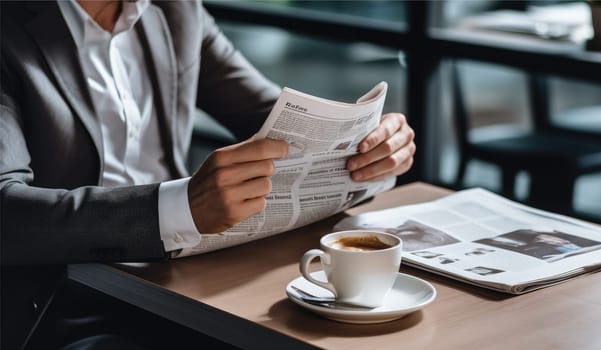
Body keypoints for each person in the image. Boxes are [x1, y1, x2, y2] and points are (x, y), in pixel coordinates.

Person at [0, 1, 416, 348]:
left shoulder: (175, 9)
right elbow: (7, 212)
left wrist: (370, 147)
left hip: (183, 279)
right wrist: (179, 207)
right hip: (63, 301)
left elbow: (274, 121)